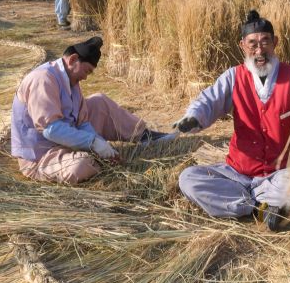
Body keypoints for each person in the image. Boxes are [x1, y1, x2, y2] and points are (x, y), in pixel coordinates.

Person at [176, 10, 290, 231]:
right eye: (252, 44)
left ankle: (250, 202)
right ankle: (257, 207)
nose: (259, 51)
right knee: (189, 178)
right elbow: (209, 100)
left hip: (279, 172)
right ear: (242, 45)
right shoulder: (233, 77)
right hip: (237, 172)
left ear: (275, 43)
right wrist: (194, 116)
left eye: (265, 42)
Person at [11, 36, 176, 185]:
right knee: (82, 165)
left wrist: (100, 143)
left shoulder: (72, 82)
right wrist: (93, 143)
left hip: (66, 141)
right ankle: (88, 160)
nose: (86, 77)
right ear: (73, 59)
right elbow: (51, 130)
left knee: (99, 102)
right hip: (41, 156)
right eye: (87, 71)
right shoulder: (43, 79)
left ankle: (144, 136)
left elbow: (83, 122)